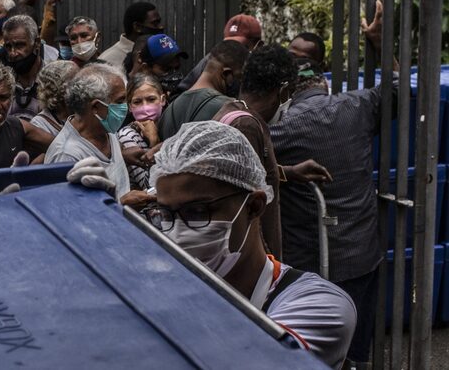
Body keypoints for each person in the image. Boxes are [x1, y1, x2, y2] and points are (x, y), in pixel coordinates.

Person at [116, 121, 356, 368]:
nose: (177, 233)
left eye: (198, 211)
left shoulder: (319, 307)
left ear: (253, 207)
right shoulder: (166, 288)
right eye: (165, 214)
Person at [269, 2, 390, 367]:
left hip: (307, 261)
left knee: (310, 353)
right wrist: (381, 44)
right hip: (360, 254)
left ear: (288, 89)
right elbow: (401, 89)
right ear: (324, 80)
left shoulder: (277, 128)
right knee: (355, 351)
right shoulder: (356, 106)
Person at [212, 45, 333, 260]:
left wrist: (288, 172)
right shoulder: (246, 126)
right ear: (284, 91)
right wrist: (268, 265)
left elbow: (243, 173)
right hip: (253, 262)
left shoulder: (234, 111)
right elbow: (244, 204)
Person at [44, 63, 132, 199]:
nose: (126, 106)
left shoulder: (107, 128)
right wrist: (122, 204)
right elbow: (66, 212)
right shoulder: (66, 155)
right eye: (120, 101)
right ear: (96, 107)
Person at [158, 40, 249, 139]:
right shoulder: (230, 110)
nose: (240, 83)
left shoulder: (168, 112)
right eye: (240, 77)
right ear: (226, 74)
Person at [177, 14, 263, 94]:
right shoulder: (212, 60)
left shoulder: (262, 70)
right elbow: (181, 93)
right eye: (228, 43)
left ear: (259, 46)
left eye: (241, 46)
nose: (233, 49)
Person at [0, 15, 59, 120]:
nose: (13, 53)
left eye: (20, 45)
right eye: (8, 47)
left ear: (37, 43)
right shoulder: (1, 81)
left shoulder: (53, 82)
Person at [117, 72, 167, 190]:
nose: (145, 107)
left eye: (151, 99)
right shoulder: (127, 135)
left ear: (162, 100)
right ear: (130, 106)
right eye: (137, 102)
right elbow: (149, 185)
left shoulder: (169, 124)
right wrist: (154, 143)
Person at [100, 1, 163, 81]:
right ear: (137, 27)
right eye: (155, 23)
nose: (160, 27)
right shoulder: (107, 61)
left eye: (159, 22)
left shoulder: (158, 50)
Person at [29, 60, 78, 136]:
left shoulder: (80, 115)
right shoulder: (39, 125)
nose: (82, 85)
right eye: (76, 81)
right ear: (61, 88)